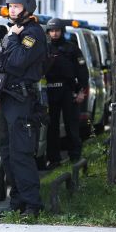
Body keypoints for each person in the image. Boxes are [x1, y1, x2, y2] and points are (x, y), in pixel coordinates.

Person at [0, 0, 47, 218]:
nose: (12, 9)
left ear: (27, 7)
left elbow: (15, 63)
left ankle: (33, 205)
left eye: (17, 6)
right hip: (8, 98)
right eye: (10, 5)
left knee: (21, 153)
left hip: (22, 100)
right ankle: (17, 202)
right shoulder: (12, 31)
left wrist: (12, 39)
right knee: (7, 153)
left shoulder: (32, 33)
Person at [45, 18, 89, 169]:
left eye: (57, 30)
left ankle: (75, 157)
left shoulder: (72, 49)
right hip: (50, 90)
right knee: (52, 127)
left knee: (72, 124)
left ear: (62, 31)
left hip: (67, 90)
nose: (54, 33)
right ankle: (54, 159)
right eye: (51, 30)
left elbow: (82, 72)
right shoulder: (45, 49)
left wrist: (81, 91)